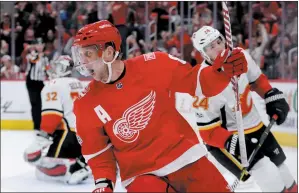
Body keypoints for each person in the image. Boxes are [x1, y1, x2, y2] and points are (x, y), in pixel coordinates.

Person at [70, 20, 248, 192]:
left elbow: (197, 82)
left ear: (108, 53)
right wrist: (103, 186)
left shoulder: (155, 64)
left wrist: (222, 71)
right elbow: (99, 155)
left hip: (187, 158)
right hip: (141, 176)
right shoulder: (84, 104)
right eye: (80, 54)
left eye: (88, 54)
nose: (82, 61)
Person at [190, 26, 297, 192]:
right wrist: (232, 142)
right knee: (268, 174)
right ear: (204, 54)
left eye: (219, 42)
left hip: (256, 126)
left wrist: (270, 95)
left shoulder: (240, 55)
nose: (218, 48)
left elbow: (257, 81)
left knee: (285, 174)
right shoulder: (203, 84)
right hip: (229, 139)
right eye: (211, 47)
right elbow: (207, 132)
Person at [24, 55, 91, 184]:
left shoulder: (53, 85)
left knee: (42, 172)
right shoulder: (79, 83)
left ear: (61, 68)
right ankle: (83, 161)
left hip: (69, 135)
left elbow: (52, 117)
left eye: (56, 66)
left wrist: (40, 141)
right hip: (87, 136)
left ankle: (74, 169)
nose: (52, 69)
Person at [24, 43, 48, 131]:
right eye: (38, 45)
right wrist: (39, 55)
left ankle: (42, 124)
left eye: (42, 44)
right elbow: (33, 60)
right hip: (31, 82)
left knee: (42, 104)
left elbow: (47, 69)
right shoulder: (32, 54)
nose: (40, 46)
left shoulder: (45, 58)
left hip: (40, 82)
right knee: (35, 105)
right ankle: (36, 125)